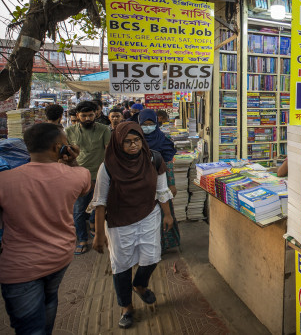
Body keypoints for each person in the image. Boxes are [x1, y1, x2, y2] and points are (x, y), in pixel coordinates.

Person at [0, 123, 90, 334]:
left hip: (19, 267)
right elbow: (84, 186)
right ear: (58, 147)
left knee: (29, 325)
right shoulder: (79, 175)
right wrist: (72, 160)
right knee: (50, 300)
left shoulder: (4, 180)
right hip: (60, 256)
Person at [92, 122, 174, 329]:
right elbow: (100, 201)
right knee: (121, 265)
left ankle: (139, 285)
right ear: (118, 143)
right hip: (119, 221)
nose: (133, 145)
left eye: (136, 140)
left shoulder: (153, 159)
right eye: (127, 142)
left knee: (152, 257)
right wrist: (99, 234)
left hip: (148, 215)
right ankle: (126, 308)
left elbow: (162, 190)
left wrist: (167, 214)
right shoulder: (108, 166)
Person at [66, 101, 111, 255]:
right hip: (77, 176)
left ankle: (93, 223)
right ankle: (82, 239)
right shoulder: (69, 131)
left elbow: (108, 151)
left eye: (90, 115)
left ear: (95, 114)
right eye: (84, 115)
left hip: (100, 174)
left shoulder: (104, 129)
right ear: (77, 115)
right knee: (78, 210)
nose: (87, 118)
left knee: (99, 205)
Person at [139, 109, 180, 253]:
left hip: (160, 181)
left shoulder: (163, 138)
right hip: (140, 185)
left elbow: (168, 162)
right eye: (145, 124)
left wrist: (172, 184)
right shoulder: (135, 138)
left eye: (151, 123)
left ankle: (163, 245)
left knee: (164, 212)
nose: (148, 127)